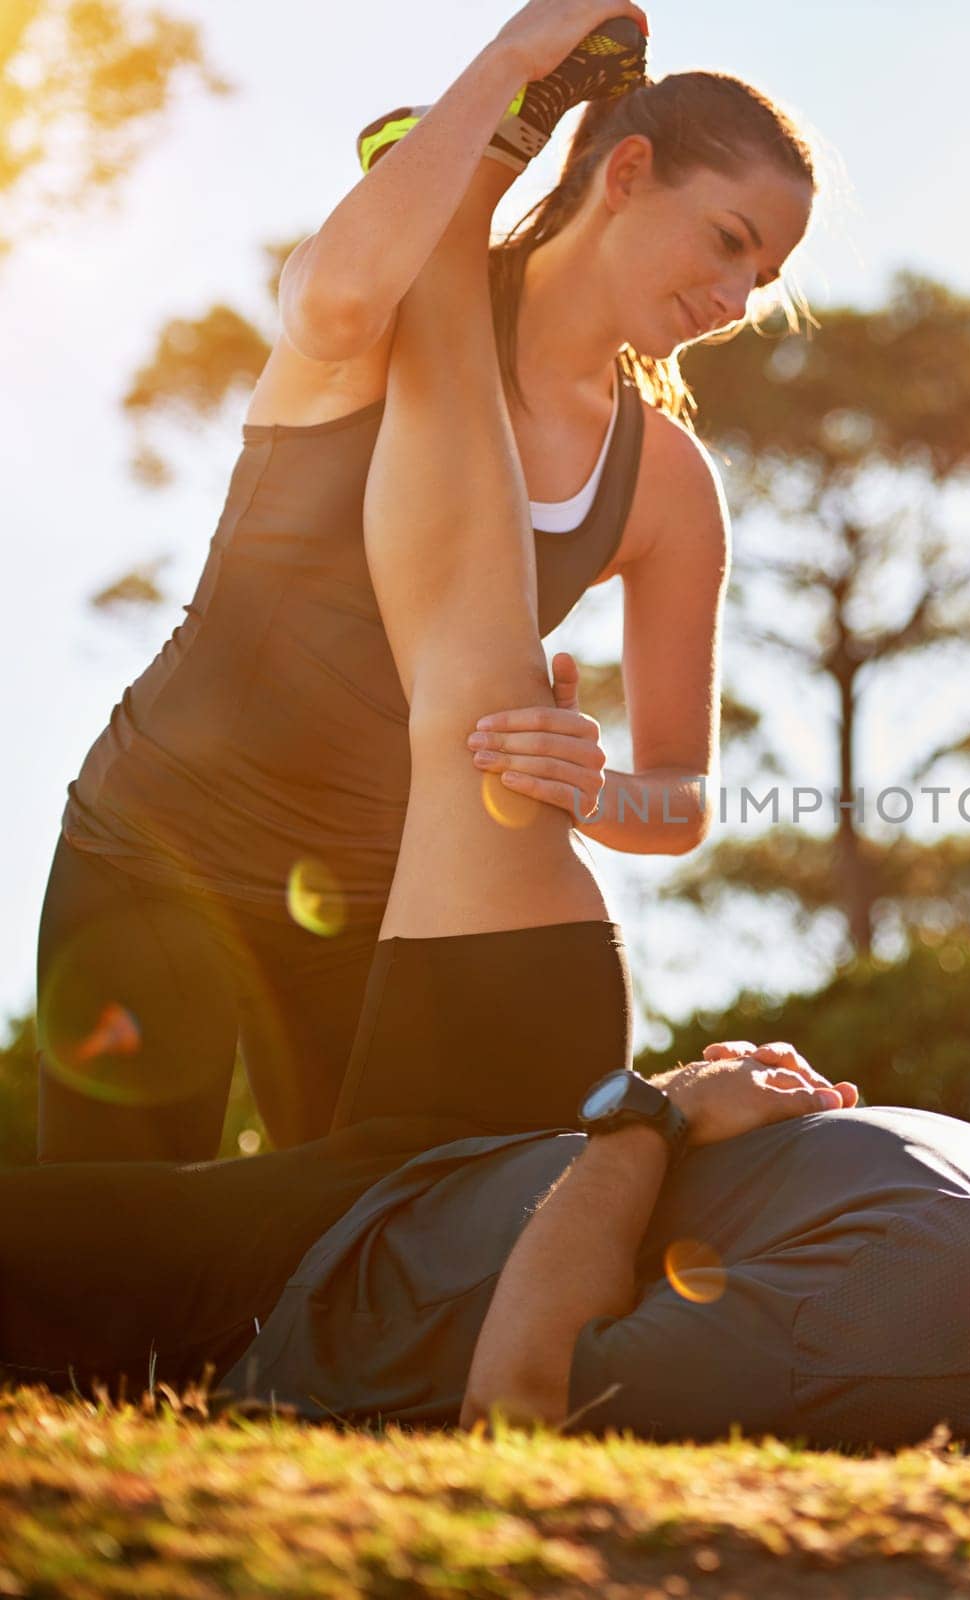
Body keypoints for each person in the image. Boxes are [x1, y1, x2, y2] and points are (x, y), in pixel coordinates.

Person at [36, 0, 818, 1162]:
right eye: (728, 239)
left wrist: (590, 787)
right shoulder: (405, 297)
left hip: (374, 906)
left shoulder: (665, 485)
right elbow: (331, 303)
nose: (738, 299)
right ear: (630, 172)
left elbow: (680, 800)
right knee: (111, 1305)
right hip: (156, 846)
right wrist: (509, 65)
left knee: (356, 1271)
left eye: (765, 273)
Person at [0, 1047, 970, 1458]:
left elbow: (522, 1408)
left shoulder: (953, 1320)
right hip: (392, 1188)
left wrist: (648, 1116)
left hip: (286, 1287)